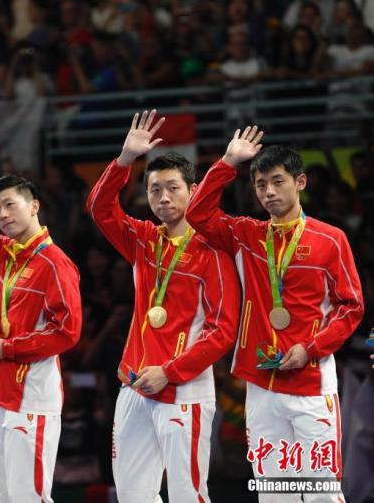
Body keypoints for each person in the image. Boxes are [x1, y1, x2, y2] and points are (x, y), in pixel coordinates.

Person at [185, 126, 364, 502]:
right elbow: (197, 213)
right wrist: (228, 162)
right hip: (261, 384)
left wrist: (310, 348)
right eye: (260, 184)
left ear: (300, 182)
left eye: (277, 181)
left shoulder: (330, 239)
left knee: (321, 494)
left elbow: (351, 307)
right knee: (273, 494)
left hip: (311, 384)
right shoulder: (246, 235)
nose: (268, 192)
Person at [86, 109, 241, 503]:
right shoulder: (143, 240)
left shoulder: (213, 252)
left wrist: (169, 372)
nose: (163, 198)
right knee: (132, 495)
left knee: (189, 496)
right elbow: (100, 209)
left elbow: (223, 330)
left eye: (173, 188)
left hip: (184, 389)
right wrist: (125, 159)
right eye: (155, 190)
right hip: (134, 384)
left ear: (194, 190)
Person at [0, 127, 83, 503]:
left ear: (34, 206)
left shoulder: (56, 264)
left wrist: (8, 348)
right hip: (0, 392)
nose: (3, 215)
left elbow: (67, 332)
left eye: (10, 205)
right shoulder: (1, 253)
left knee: (30, 498)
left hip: (33, 396)